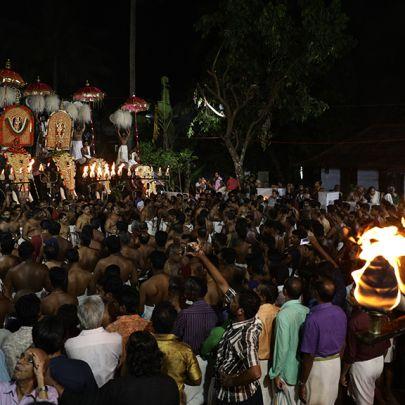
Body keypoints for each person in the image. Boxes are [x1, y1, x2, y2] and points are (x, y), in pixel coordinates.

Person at [54, 331, 179, 405]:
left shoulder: (118, 388)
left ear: (130, 357)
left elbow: (84, 403)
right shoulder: (170, 385)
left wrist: (55, 386)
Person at [298, 276, 347, 405]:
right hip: (335, 363)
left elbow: (308, 355)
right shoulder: (340, 312)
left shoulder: (313, 319)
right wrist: (336, 362)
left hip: (318, 368)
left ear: (316, 293)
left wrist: (302, 382)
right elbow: (343, 343)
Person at [340, 289, 390, 405]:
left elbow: (351, 353)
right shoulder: (382, 315)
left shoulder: (356, 320)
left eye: (352, 294)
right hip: (378, 361)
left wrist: (343, 374)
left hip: (363, 366)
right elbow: (387, 344)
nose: (349, 296)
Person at [174, 276, 218, 404]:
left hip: (190, 361)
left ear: (189, 293)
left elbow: (174, 337)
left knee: (189, 398)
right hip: (207, 361)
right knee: (202, 397)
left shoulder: (186, 314)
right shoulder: (212, 312)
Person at [215, 288, 263, 404]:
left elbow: (255, 372)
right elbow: (223, 285)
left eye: (234, 301)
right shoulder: (253, 319)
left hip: (239, 398)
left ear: (240, 311)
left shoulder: (244, 335)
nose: (230, 301)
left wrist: (231, 381)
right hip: (236, 394)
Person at [64, 296, 122, 387]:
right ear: (101, 316)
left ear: (80, 316)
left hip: (85, 394)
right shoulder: (116, 339)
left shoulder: (70, 344)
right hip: (110, 392)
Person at [32, 316, 98, 393]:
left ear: (34, 340)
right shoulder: (81, 368)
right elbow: (95, 399)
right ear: (65, 339)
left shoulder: (27, 371)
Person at [152, 302, 201, 404]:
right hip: (175, 400)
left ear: (152, 322)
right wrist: (180, 377)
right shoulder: (184, 350)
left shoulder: (144, 345)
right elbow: (197, 379)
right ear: (174, 323)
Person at [268, 277, 308, 404]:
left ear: (284, 291)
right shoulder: (307, 311)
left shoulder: (283, 315)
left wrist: (276, 372)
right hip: (302, 371)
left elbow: (282, 347)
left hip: (286, 372)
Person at [106, 286, 152, 357]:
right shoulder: (148, 325)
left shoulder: (112, 329)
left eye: (115, 302)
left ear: (123, 308)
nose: (112, 305)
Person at [2, 293, 41, 375]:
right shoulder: (45, 336)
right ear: (39, 313)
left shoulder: (8, 342)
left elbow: (12, 373)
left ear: (17, 315)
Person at [255, 282, 279, 404]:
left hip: (261, 358)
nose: (254, 292)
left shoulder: (256, 314)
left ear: (263, 296)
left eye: (257, 291)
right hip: (276, 357)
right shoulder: (279, 311)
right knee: (273, 393)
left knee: (263, 393)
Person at [139, 250, 170, 320]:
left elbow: (141, 310)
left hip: (149, 315)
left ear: (151, 264)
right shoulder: (171, 280)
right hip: (167, 314)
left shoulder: (146, 285)